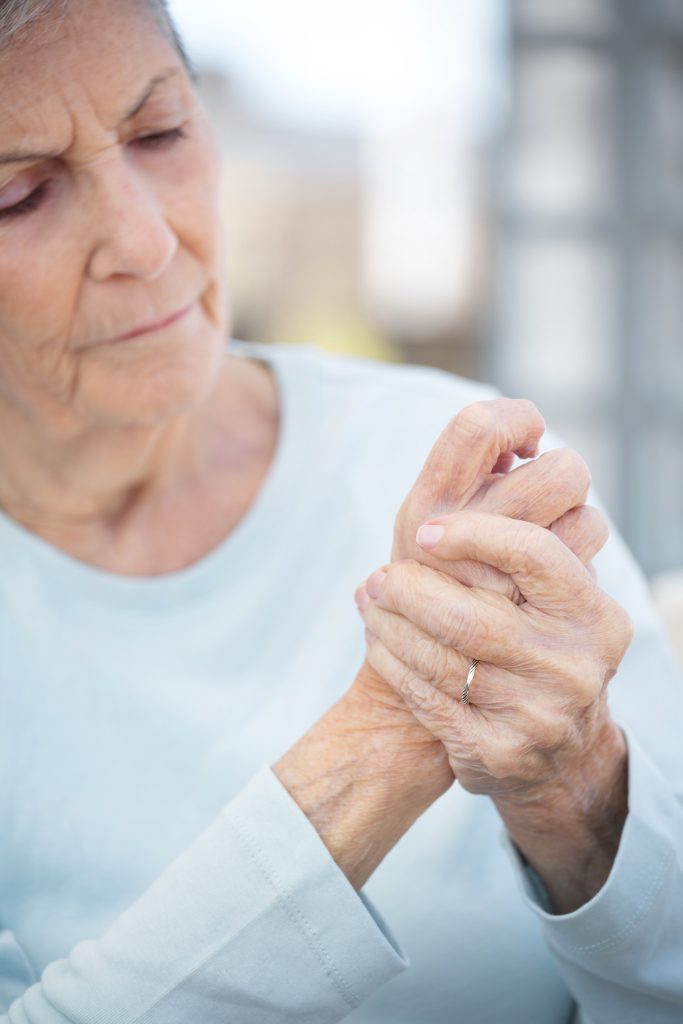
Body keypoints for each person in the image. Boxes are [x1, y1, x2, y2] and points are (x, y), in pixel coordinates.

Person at [0, 1, 682, 1022]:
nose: (146, 240)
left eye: (160, 134)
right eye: (19, 195)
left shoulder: (449, 457)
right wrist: (395, 727)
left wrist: (578, 796)